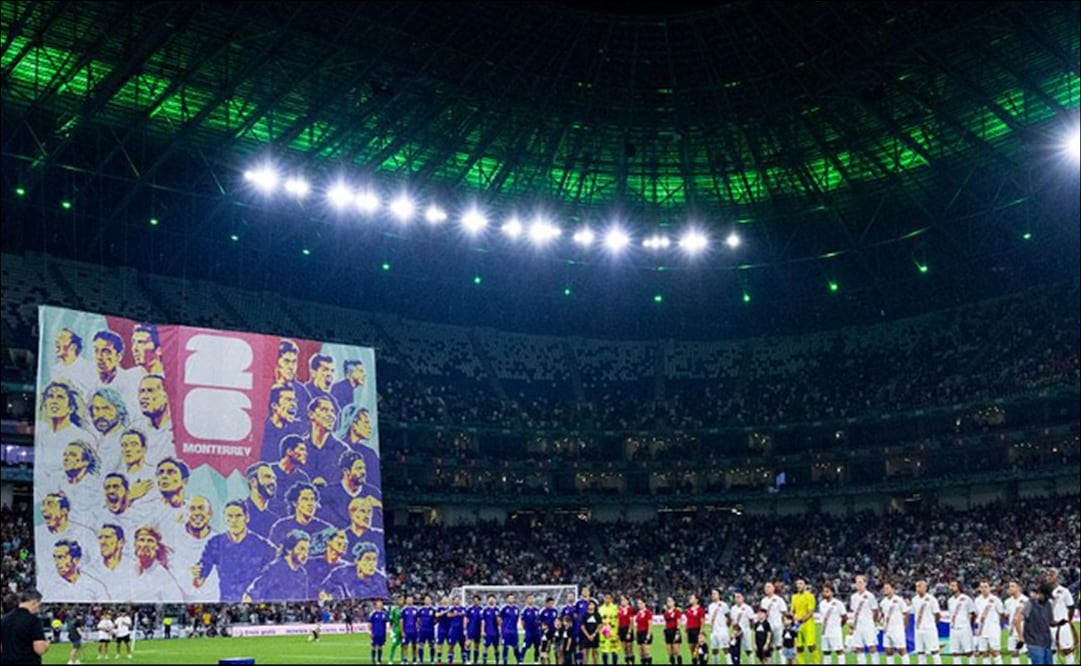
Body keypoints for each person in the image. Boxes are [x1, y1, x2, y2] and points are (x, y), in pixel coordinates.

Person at [0, 589, 49, 665]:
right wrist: (46, 644)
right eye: (39, 604)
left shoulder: (4, 619)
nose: (39, 607)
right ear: (34, 602)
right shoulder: (34, 621)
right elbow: (39, 649)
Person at [1012, 581, 1054, 665]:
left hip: (1047, 641)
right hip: (1034, 642)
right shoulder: (1030, 604)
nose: (1047, 598)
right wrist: (1021, 637)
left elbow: (1050, 622)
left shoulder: (1048, 604)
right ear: (1040, 593)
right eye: (1045, 596)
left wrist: (1061, 624)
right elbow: (1017, 619)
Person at [911, 580, 941, 666]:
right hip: (918, 629)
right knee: (920, 652)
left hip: (929, 629)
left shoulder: (931, 599)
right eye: (916, 586)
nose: (918, 588)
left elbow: (937, 614)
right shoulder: (914, 600)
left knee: (934, 651)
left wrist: (932, 624)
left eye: (920, 586)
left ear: (925, 588)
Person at [790, 579, 816, 666]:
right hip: (798, 625)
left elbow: (810, 612)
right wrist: (792, 619)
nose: (799, 585)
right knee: (799, 647)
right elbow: (792, 611)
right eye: (797, 584)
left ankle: (817, 662)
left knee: (811, 646)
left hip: (808, 624)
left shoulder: (810, 596)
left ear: (805, 585)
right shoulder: (794, 597)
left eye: (801, 583)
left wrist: (800, 621)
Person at [664, 596, 684, 665]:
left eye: (670, 601)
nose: (668, 603)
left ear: (674, 602)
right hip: (668, 631)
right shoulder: (666, 612)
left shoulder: (677, 611)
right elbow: (666, 623)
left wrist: (677, 633)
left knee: (676, 651)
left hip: (674, 631)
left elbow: (678, 622)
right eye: (668, 601)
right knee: (669, 651)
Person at [634, 598, 653, 666]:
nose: (639, 605)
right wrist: (636, 634)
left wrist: (648, 634)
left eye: (640, 603)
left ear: (644, 603)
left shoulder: (648, 612)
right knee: (640, 652)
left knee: (646, 651)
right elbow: (636, 624)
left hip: (645, 632)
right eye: (638, 603)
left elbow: (650, 624)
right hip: (639, 633)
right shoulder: (638, 613)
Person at [369, 599, 388, 663]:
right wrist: (370, 632)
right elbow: (370, 623)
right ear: (376, 605)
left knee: (380, 647)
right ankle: (373, 659)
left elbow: (385, 624)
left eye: (381, 604)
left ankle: (379, 660)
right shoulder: (373, 613)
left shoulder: (384, 614)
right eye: (379, 604)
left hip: (382, 633)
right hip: (375, 633)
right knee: (373, 646)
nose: (380, 605)